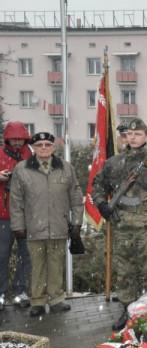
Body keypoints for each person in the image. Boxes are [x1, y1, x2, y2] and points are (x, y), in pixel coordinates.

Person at [92, 118, 147, 330]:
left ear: (146, 136)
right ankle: (128, 311)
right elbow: (97, 186)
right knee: (125, 272)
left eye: (138, 134)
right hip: (122, 227)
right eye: (129, 135)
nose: (133, 137)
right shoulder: (114, 163)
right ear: (125, 137)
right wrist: (102, 205)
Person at [10, 132, 84, 317]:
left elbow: (76, 197)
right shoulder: (22, 169)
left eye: (47, 144)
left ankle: (56, 298)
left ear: (53, 147)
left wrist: (76, 223)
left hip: (59, 226)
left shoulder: (66, 168)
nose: (44, 148)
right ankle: (38, 301)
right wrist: (18, 226)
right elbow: (16, 201)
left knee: (56, 264)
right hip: (33, 227)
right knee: (36, 266)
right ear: (33, 148)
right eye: (40, 145)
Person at [0, 121, 32, 311]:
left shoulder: (31, 155)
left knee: (25, 255)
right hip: (3, 215)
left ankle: (21, 290)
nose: (18, 142)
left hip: (26, 214)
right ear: (8, 139)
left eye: (21, 138)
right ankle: (1, 292)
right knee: (1, 255)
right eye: (15, 139)